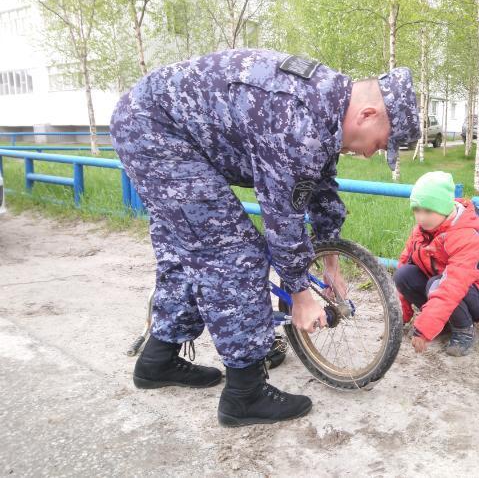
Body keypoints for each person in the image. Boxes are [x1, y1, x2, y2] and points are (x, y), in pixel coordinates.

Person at [110, 49, 420, 427]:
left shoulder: (326, 104)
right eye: (382, 143)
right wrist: (301, 296)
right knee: (233, 253)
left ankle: (157, 360)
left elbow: (320, 187)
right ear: (367, 115)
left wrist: (331, 262)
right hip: (155, 131)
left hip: (156, 122)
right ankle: (245, 394)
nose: (373, 153)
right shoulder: (297, 119)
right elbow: (282, 217)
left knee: (186, 248)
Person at [394, 171, 479, 357]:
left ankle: (464, 329)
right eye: (417, 210)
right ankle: (442, 323)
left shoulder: (464, 236)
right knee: (403, 275)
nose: (421, 218)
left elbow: (453, 284)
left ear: (444, 208)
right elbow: (404, 264)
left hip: (478, 293)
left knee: (437, 284)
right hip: (440, 286)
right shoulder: (420, 232)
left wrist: (424, 328)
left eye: (428, 211)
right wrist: (400, 316)